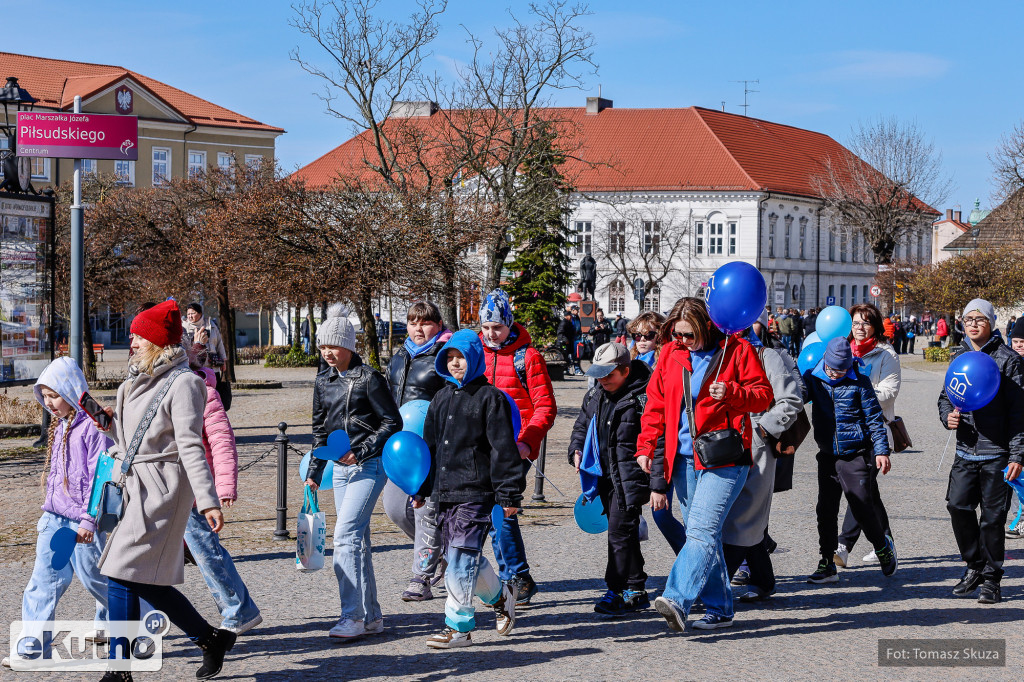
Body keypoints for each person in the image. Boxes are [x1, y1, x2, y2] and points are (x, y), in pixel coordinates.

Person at [96, 300, 234, 681]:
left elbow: (190, 445)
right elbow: (129, 442)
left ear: (158, 340)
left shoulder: (187, 383)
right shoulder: (129, 385)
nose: (132, 341)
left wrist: (207, 500)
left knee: (122, 572)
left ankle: (118, 670)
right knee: (136, 576)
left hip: (163, 492)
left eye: (139, 335)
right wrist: (107, 425)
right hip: (132, 490)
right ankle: (209, 638)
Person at [637, 297, 773, 632]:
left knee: (700, 531)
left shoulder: (736, 350)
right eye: (676, 334)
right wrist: (645, 446)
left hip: (724, 457)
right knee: (705, 536)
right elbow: (655, 404)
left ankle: (677, 598)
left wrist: (731, 393)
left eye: (688, 335)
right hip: (681, 459)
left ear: (706, 327)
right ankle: (720, 608)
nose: (681, 341)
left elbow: (763, 396)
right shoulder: (669, 354)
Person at [415, 330, 520, 649]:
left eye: (460, 356)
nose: (455, 362)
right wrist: (421, 487)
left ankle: (458, 628)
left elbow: (504, 449)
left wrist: (509, 494)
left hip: (477, 493)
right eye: (449, 357)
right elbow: (429, 447)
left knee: (460, 558)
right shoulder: (441, 398)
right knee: (463, 557)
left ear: (474, 358)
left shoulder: (491, 399)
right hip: (445, 493)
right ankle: (502, 597)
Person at [4, 358, 111, 670]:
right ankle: (33, 646)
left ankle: (137, 619)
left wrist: (89, 520)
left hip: (83, 522)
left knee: (97, 580)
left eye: (54, 396)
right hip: (54, 519)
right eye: (44, 397)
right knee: (44, 581)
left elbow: (100, 478)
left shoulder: (95, 428)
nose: (49, 403)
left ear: (72, 391)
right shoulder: (59, 425)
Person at [306, 312, 403, 638]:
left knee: (345, 535)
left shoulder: (369, 378)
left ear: (348, 345)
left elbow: (392, 422)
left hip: (369, 467)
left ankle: (352, 617)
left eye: (333, 346)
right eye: (322, 348)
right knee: (357, 540)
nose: (327, 354)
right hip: (341, 470)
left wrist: (361, 451)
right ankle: (372, 616)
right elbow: (320, 431)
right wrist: (314, 473)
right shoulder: (323, 382)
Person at [938, 299, 1024, 604]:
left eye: (980, 319)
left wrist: (1017, 456)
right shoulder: (957, 355)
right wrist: (946, 414)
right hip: (965, 450)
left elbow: (1018, 414)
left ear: (991, 322)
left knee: (992, 519)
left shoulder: (1008, 359)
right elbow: (945, 396)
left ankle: (992, 579)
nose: (973, 323)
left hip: (997, 453)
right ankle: (974, 565)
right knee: (957, 507)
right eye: (968, 318)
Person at [478, 289, 557, 607]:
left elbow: (545, 407)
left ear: (509, 324)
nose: (491, 334)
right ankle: (507, 575)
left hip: (516, 446)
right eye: (485, 328)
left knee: (502, 509)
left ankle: (518, 576)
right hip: (483, 446)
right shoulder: (476, 353)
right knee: (488, 511)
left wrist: (527, 441)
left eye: (496, 327)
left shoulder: (529, 357)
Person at [804, 337, 897, 585]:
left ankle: (882, 546)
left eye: (842, 370)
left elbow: (875, 420)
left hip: (856, 453)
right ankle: (826, 561)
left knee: (862, 506)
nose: (836, 374)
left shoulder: (860, 382)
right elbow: (796, 397)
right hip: (827, 455)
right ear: (825, 362)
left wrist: (882, 451)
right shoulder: (813, 378)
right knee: (825, 510)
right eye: (833, 369)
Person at [723, 319, 804, 602]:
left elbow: (791, 400)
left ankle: (713, 589)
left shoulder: (766, 356)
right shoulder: (714, 354)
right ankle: (764, 580)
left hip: (754, 445)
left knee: (743, 514)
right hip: (717, 443)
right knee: (740, 517)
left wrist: (763, 428)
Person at [183, 349, 262, 635]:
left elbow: (222, 442)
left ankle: (239, 610)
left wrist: (225, 486)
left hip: (195, 491)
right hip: (165, 489)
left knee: (207, 553)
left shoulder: (204, 393)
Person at [569, 343, 652, 615]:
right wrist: (577, 449)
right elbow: (581, 425)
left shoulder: (642, 397)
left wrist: (657, 480)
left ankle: (615, 591)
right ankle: (637, 589)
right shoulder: (595, 393)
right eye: (599, 374)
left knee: (618, 534)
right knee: (624, 534)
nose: (603, 380)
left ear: (625, 371)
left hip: (629, 477)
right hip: (601, 474)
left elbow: (655, 437)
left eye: (609, 374)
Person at [382, 300, 452, 601]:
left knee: (425, 511)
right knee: (396, 509)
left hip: (432, 446)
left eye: (424, 323)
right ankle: (445, 554)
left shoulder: (445, 356)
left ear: (437, 325)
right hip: (400, 448)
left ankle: (421, 579)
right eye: (412, 322)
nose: (418, 328)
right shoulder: (399, 357)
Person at [834, 303, 900, 569]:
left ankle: (843, 545)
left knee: (859, 489)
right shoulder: (842, 350)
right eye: (855, 323)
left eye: (865, 323)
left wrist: (855, 395)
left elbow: (889, 392)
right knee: (868, 491)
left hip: (875, 431)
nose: (859, 329)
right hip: (847, 432)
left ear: (875, 326)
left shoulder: (886, 354)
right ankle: (885, 542)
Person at [625, 311, 683, 553]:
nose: (641, 340)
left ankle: (696, 562)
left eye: (648, 335)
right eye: (636, 335)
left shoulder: (667, 363)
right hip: (640, 445)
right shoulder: (628, 366)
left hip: (669, 443)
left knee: (664, 511)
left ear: (660, 336)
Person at [183, 302, 230, 410]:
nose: (190, 316)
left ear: (200, 313)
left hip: (213, 365)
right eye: (188, 314)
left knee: (214, 393)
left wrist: (223, 360)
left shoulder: (211, 325)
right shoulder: (184, 327)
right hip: (196, 366)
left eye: (193, 313)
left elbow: (219, 343)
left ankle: (215, 412)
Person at [1006, 317, 1024, 540]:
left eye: (1023, 342)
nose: (1019, 345)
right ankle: (1019, 518)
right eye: (1016, 341)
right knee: (1015, 479)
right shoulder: (1009, 364)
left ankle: (1020, 520)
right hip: (1013, 430)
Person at [557, 309, 580, 375]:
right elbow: (560, 332)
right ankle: (564, 369)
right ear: (566, 316)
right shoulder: (564, 322)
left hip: (569, 342)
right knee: (564, 356)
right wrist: (565, 340)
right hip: (564, 343)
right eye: (570, 315)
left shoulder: (568, 322)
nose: (571, 317)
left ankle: (566, 369)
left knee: (567, 356)